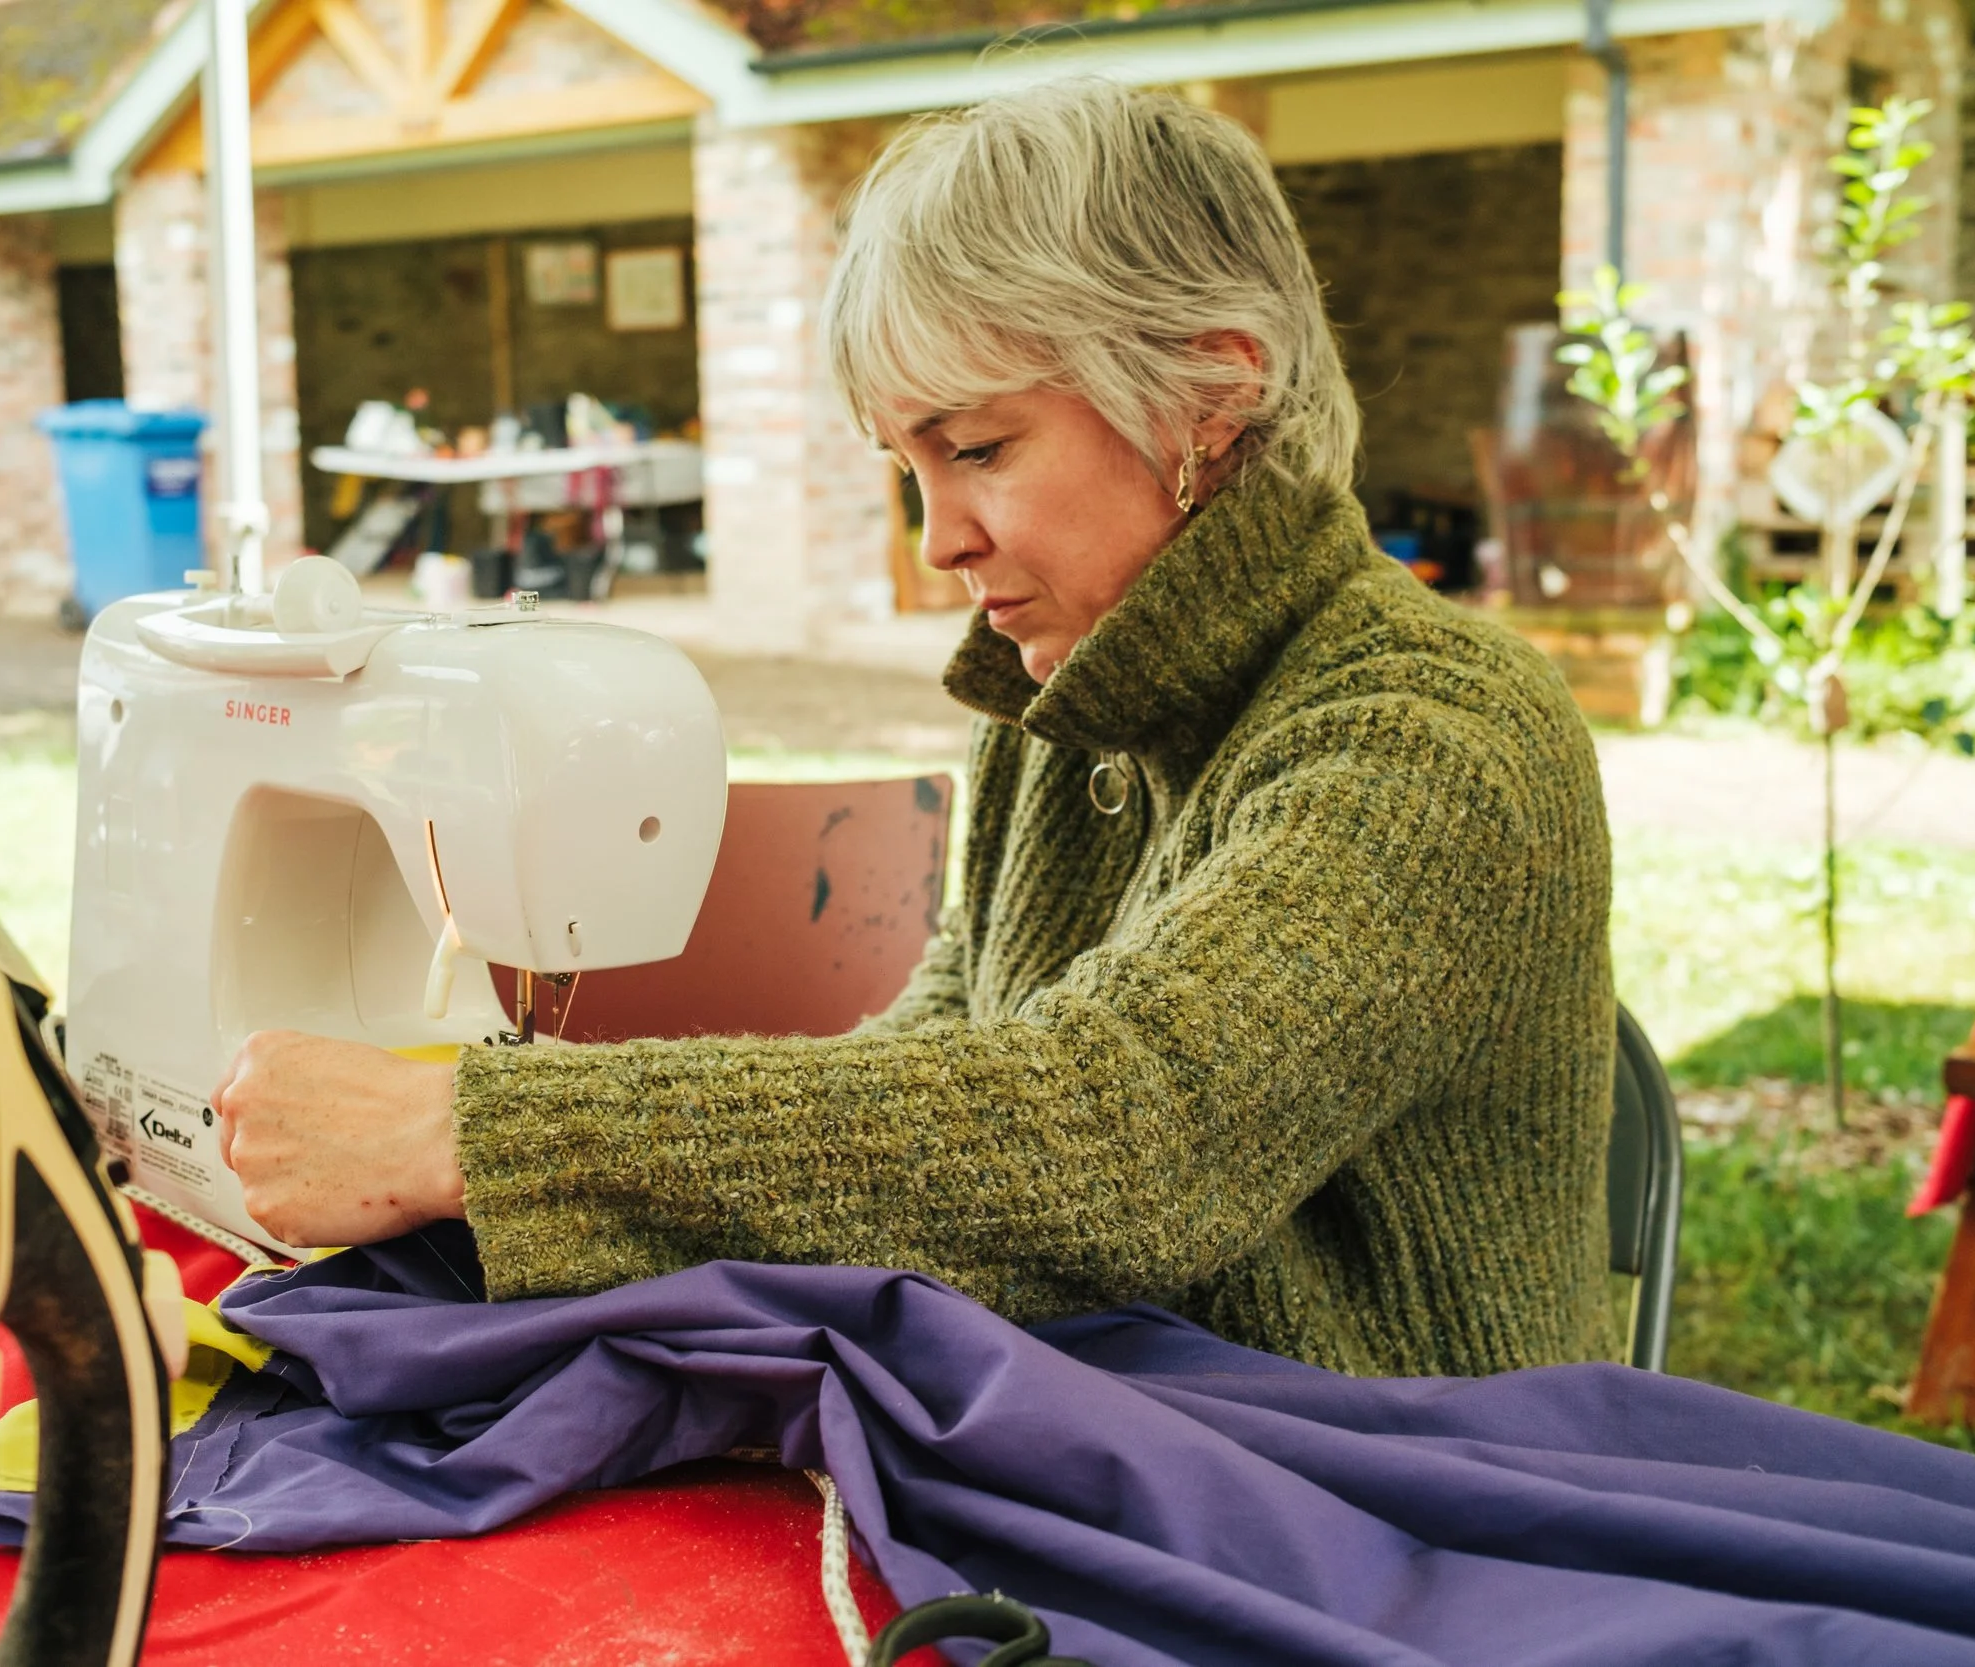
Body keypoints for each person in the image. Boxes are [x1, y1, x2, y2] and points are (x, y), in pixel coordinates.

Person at [212, 77, 1615, 1379]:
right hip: (1148, 1460)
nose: (938, 538)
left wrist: (471, 1129)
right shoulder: (1069, 710)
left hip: (1423, 1526)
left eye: (979, 448)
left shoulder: (1437, 733)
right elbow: (941, 1066)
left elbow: (1125, 1131)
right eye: (907, 466)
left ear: (1210, 392)